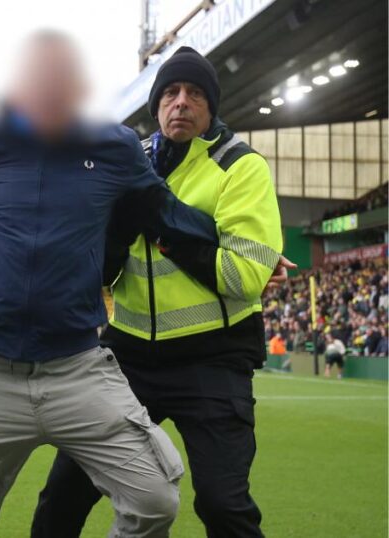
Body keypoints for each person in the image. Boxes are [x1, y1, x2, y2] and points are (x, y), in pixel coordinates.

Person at [0, 33, 224, 537]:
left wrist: (233, 242)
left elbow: (165, 212)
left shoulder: (114, 147)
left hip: (75, 369)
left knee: (153, 499)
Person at [34, 46, 283, 538]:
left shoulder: (241, 166)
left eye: (194, 94)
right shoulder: (127, 160)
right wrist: (116, 235)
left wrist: (162, 229)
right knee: (63, 491)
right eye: (170, 93)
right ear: (156, 107)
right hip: (127, 358)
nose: (181, 103)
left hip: (213, 361)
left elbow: (244, 278)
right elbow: (98, 272)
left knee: (222, 504)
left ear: (212, 107)